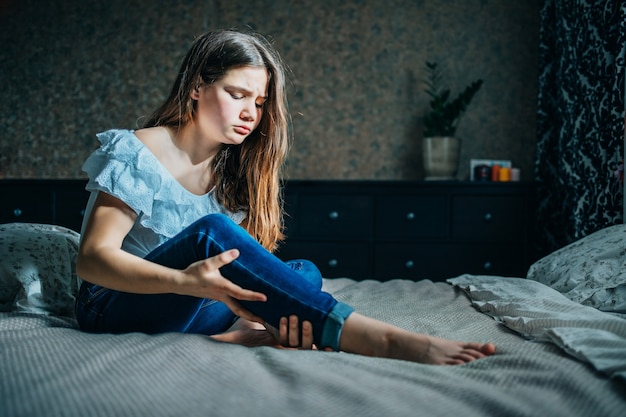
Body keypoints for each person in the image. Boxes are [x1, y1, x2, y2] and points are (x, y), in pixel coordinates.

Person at [75, 28, 495, 365]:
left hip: (188, 306)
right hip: (112, 306)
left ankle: (232, 337)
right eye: (237, 94)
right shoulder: (138, 150)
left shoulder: (231, 172)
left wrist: (200, 289)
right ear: (197, 88)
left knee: (302, 274)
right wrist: (184, 281)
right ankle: (375, 336)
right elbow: (93, 260)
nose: (249, 114)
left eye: (258, 103)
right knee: (214, 234)